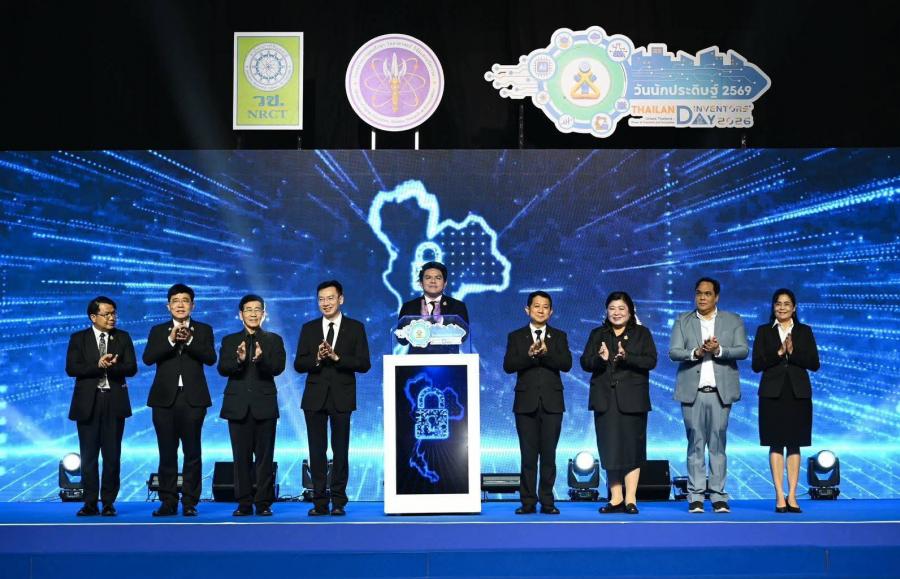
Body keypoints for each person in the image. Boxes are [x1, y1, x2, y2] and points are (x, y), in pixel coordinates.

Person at [669, 277, 748, 514]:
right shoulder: (683, 320)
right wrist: (696, 352)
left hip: (720, 393)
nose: (702, 298)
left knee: (717, 445)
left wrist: (719, 350)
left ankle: (718, 496)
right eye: (698, 293)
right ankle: (695, 496)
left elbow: (743, 350)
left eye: (707, 294)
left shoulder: (733, 320)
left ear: (716, 297)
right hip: (692, 393)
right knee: (695, 444)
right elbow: (674, 352)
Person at [294, 280, 371, 516]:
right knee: (316, 451)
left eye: (330, 298)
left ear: (341, 299)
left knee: (340, 451)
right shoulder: (309, 328)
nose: (325, 303)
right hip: (314, 398)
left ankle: (338, 501)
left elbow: (364, 364)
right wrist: (317, 358)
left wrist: (338, 358)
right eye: (321, 299)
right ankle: (319, 501)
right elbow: (299, 364)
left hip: (342, 397)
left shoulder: (355, 327)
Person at [581, 291, 657, 515]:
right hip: (605, 400)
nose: (616, 313)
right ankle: (616, 498)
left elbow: (651, 361)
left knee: (633, 450)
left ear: (630, 311)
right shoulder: (597, 334)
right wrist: (600, 359)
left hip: (633, 400)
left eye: (621, 308)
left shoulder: (642, 333)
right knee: (610, 449)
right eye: (612, 308)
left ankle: (631, 499)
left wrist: (628, 357)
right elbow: (585, 362)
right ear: (606, 311)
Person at [144, 283, 216, 517]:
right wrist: (171, 340)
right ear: (168, 306)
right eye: (176, 301)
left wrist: (191, 340)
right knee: (167, 453)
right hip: (163, 400)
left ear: (192, 305)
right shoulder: (158, 331)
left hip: (193, 400)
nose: (180, 305)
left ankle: (190, 502)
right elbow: (148, 358)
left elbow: (210, 358)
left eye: (185, 300)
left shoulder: (203, 329)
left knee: (192, 452)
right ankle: (168, 502)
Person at [65, 296, 137, 516]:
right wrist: (97, 365)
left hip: (114, 401)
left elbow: (131, 368)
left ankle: (108, 502)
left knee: (112, 456)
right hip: (88, 402)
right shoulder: (79, 338)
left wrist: (113, 367)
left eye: (114, 313)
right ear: (93, 317)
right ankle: (89, 502)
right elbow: (72, 368)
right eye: (107, 314)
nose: (112, 318)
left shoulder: (122, 337)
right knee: (88, 457)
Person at [752, 288, 820, 513]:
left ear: (794, 308)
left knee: (794, 444)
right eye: (778, 303)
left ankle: (792, 495)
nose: (782, 307)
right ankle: (779, 495)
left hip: (798, 394)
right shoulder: (764, 331)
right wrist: (779, 353)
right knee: (775, 443)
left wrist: (793, 351)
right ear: (773, 307)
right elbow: (756, 365)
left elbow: (814, 363)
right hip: (772, 394)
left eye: (786, 304)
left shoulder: (804, 331)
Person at [503, 291, 571, 515]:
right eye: (536, 306)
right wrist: (530, 355)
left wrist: (547, 353)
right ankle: (528, 502)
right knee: (528, 456)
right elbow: (508, 365)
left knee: (549, 455)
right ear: (527, 310)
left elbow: (566, 364)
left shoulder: (559, 336)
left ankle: (548, 502)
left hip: (552, 404)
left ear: (551, 312)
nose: (541, 310)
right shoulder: (516, 336)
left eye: (545, 307)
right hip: (525, 404)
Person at [218, 294, 286, 516]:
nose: (253, 313)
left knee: (265, 459)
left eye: (258, 309)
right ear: (241, 314)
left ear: (264, 314)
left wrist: (261, 359)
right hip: (237, 406)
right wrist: (238, 360)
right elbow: (223, 368)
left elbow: (278, 368)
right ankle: (244, 503)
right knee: (241, 459)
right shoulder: (229, 340)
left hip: (264, 406)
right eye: (249, 309)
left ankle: (263, 503)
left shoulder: (274, 340)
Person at [398, 261, 469, 353]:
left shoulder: (457, 306)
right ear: (421, 283)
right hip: (417, 360)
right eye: (428, 277)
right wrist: (421, 322)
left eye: (438, 278)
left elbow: (464, 336)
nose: (433, 281)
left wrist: (441, 320)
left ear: (445, 283)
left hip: (448, 360)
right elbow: (401, 340)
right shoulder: (409, 306)